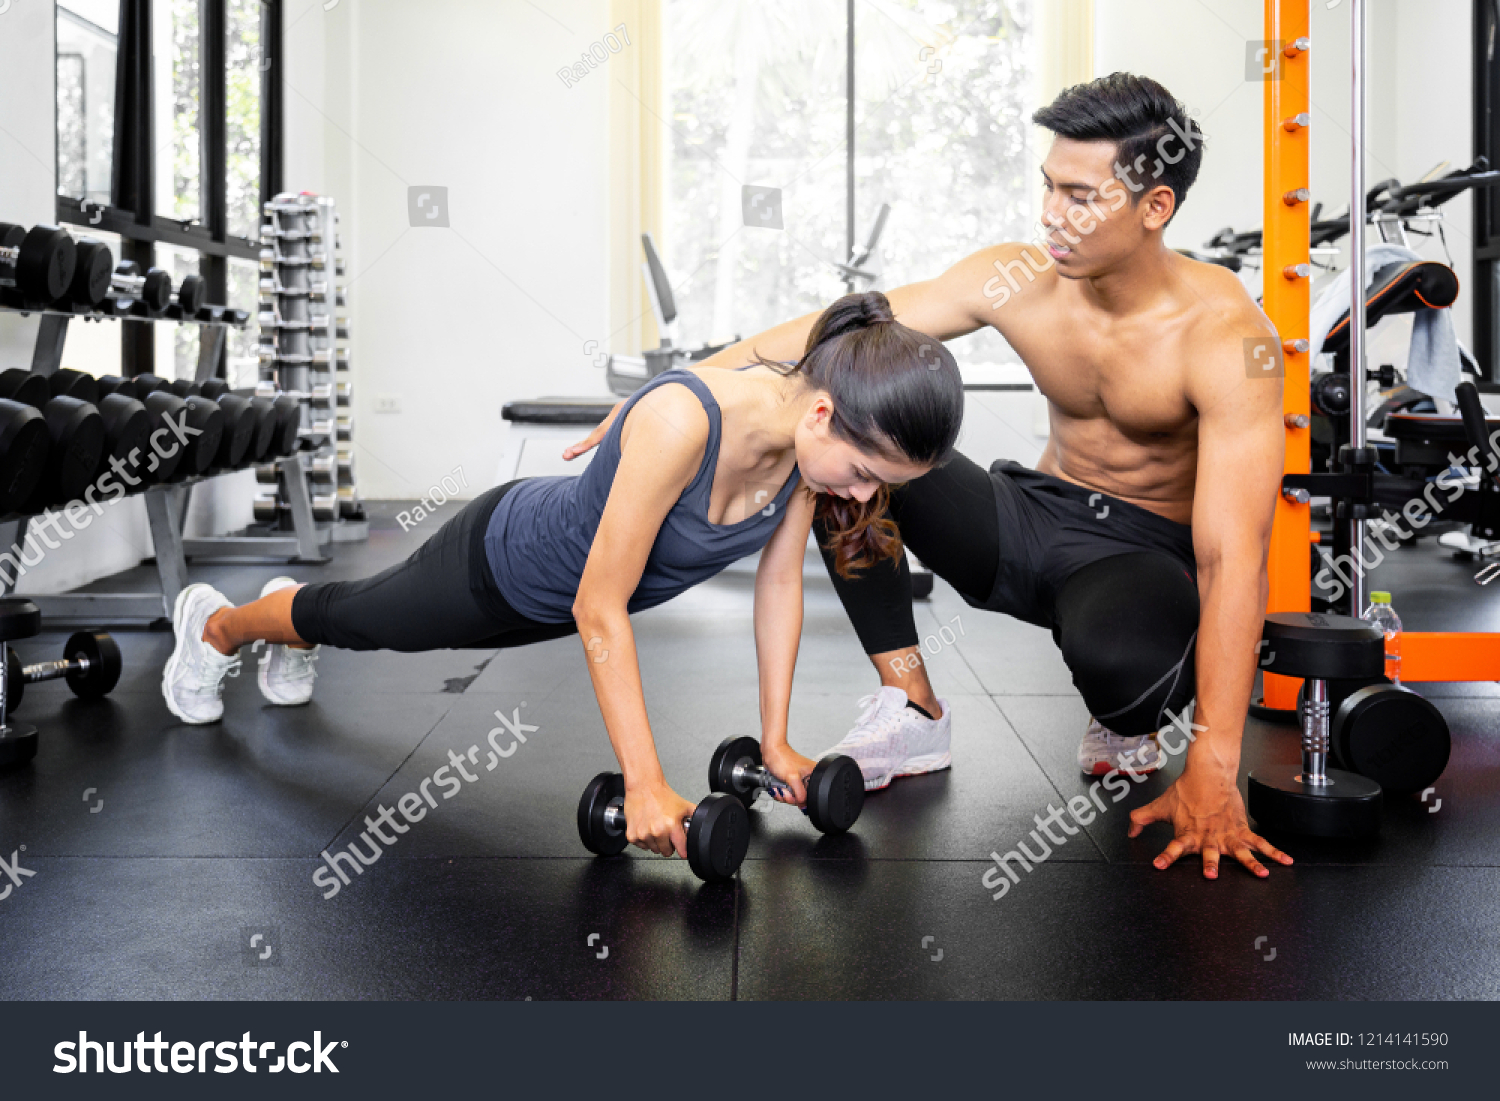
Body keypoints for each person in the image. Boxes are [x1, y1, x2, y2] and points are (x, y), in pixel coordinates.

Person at [566, 74, 1291, 881]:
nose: (1052, 213)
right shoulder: (1017, 278)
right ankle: (912, 705)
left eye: (1081, 195)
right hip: (1030, 513)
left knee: (1125, 671)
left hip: (1139, 555)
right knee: (852, 451)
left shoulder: (1227, 337)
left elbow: (1234, 558)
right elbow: (836, 331)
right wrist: (676, 391)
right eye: (1048, 186)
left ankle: (1127, 719)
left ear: (1154, 207)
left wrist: (1216, 763)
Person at [160, 292, 964, 861]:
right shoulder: (686, 419)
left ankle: (281, 615)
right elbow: (599, 604)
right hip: (498, 562)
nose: (861, 496)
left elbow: (780, 584)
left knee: (353, 620)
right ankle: (218, 626)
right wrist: (645, 785)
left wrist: (780, 740)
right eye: (863, 472)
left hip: (558, 602)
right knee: (361, 621)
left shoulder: (804, 459)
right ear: (823, 413)